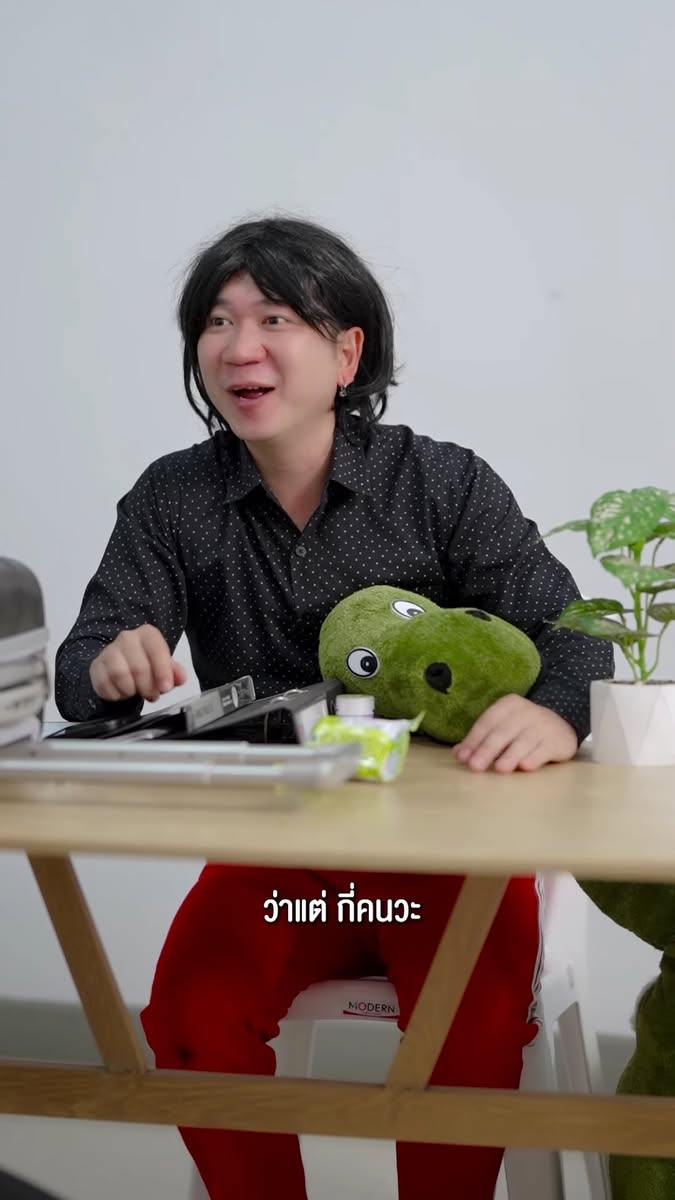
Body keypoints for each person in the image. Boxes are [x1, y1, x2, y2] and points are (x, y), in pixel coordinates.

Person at [55, 215, 614, 1199]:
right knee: (191, 1016)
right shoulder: (175, 499)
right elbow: (84, 659)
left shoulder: (440, 482)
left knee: (470, 1028)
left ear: (347, 353)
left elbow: (574, 632)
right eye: (217, 321)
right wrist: (108, 664)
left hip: (445, 859)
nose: (239, 348)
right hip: (284, 863)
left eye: (275, 318)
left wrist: (556, 712)